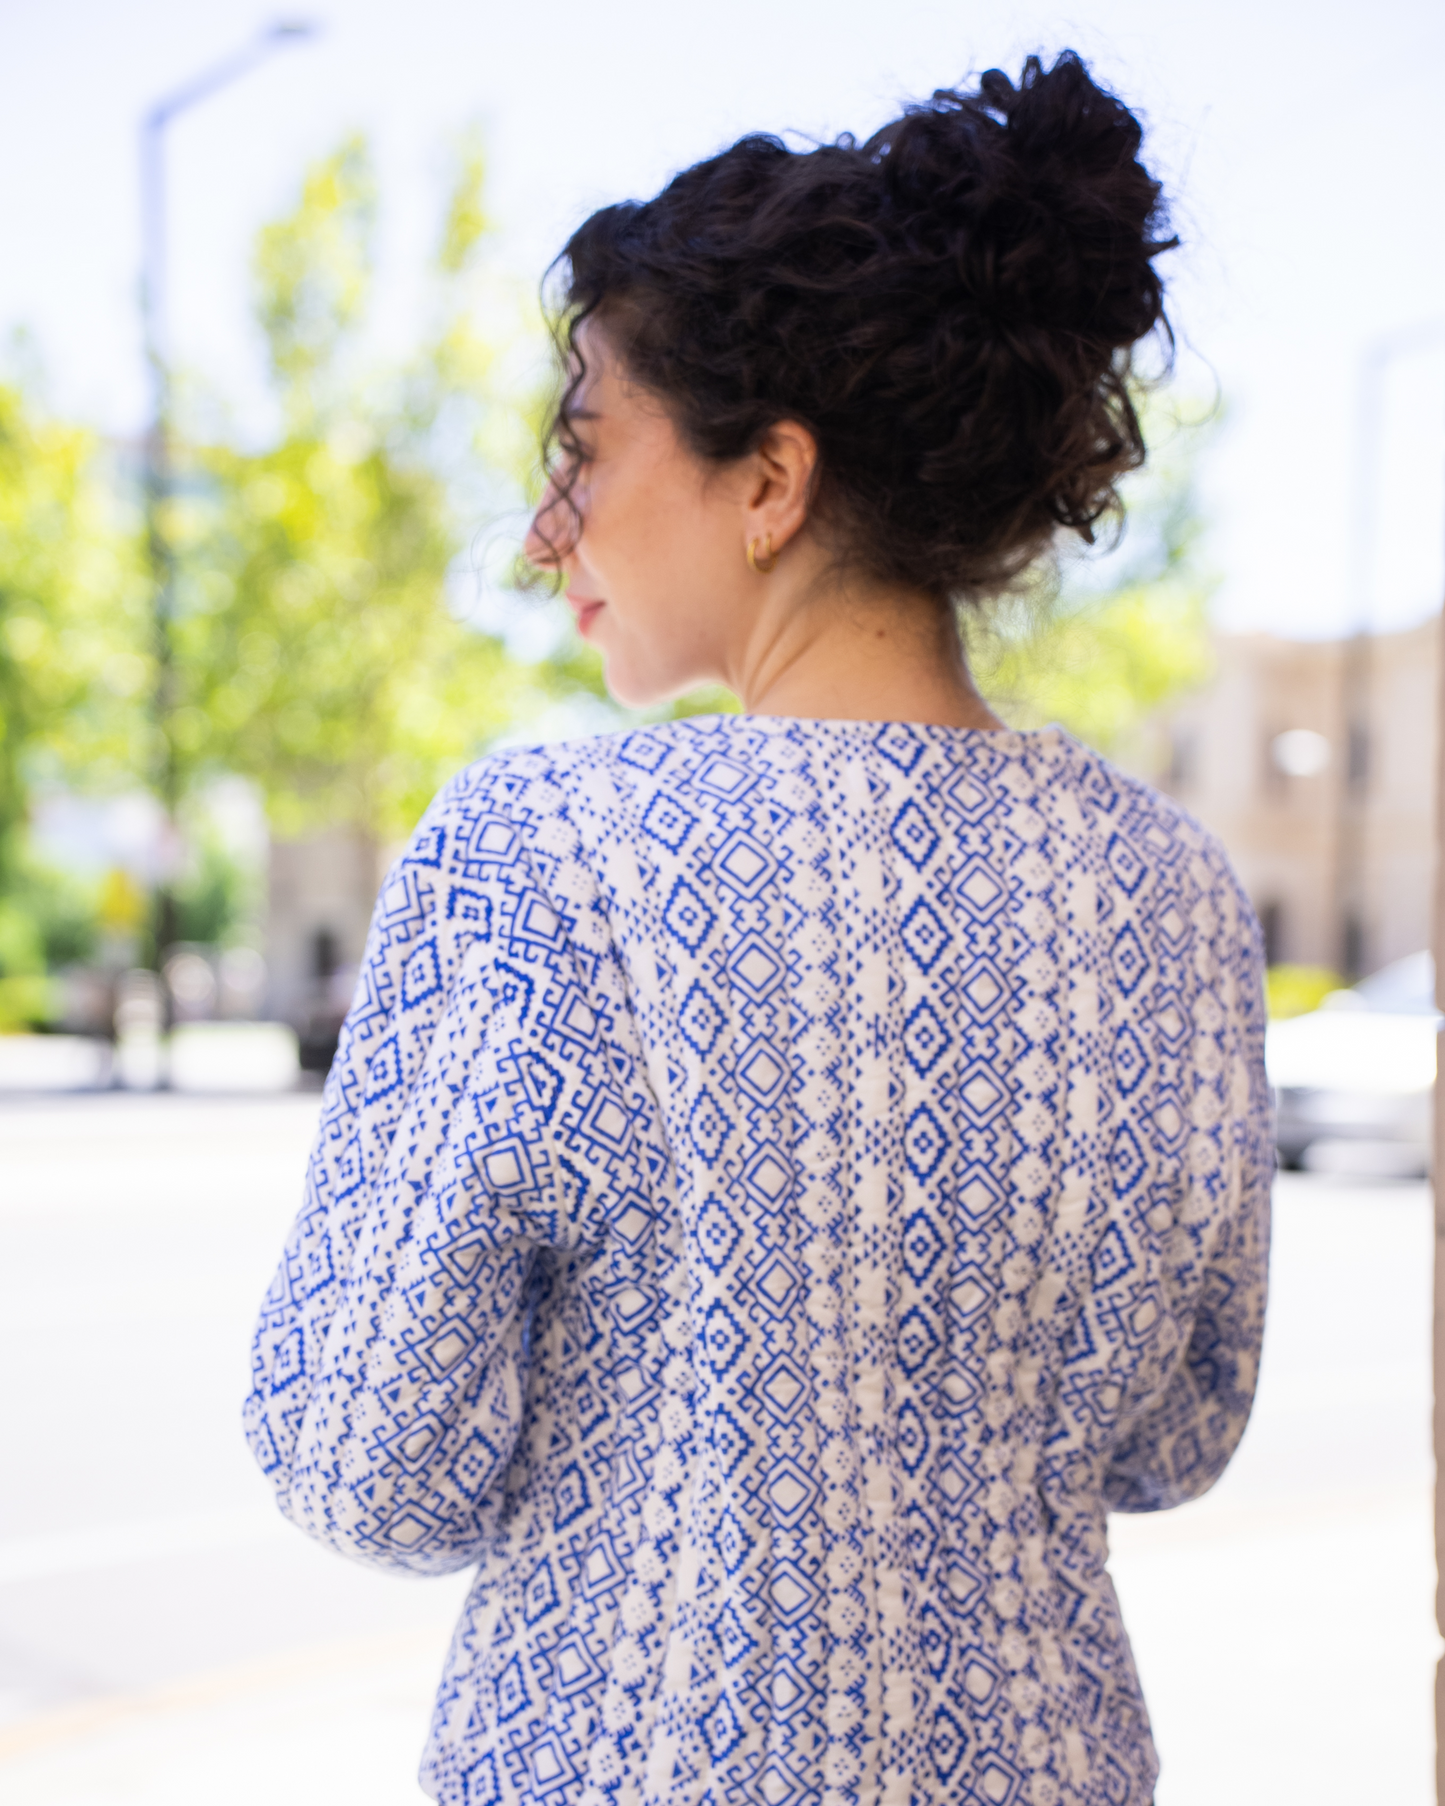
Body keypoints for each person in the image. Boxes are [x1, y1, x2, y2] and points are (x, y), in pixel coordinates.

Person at [246, 50, 1271, 1806]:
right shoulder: (1172, 890)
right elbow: (1177, 1435)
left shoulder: (551, 853)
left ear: (771, 480)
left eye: (581, 451)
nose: (543, 535)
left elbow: (365, 1455)